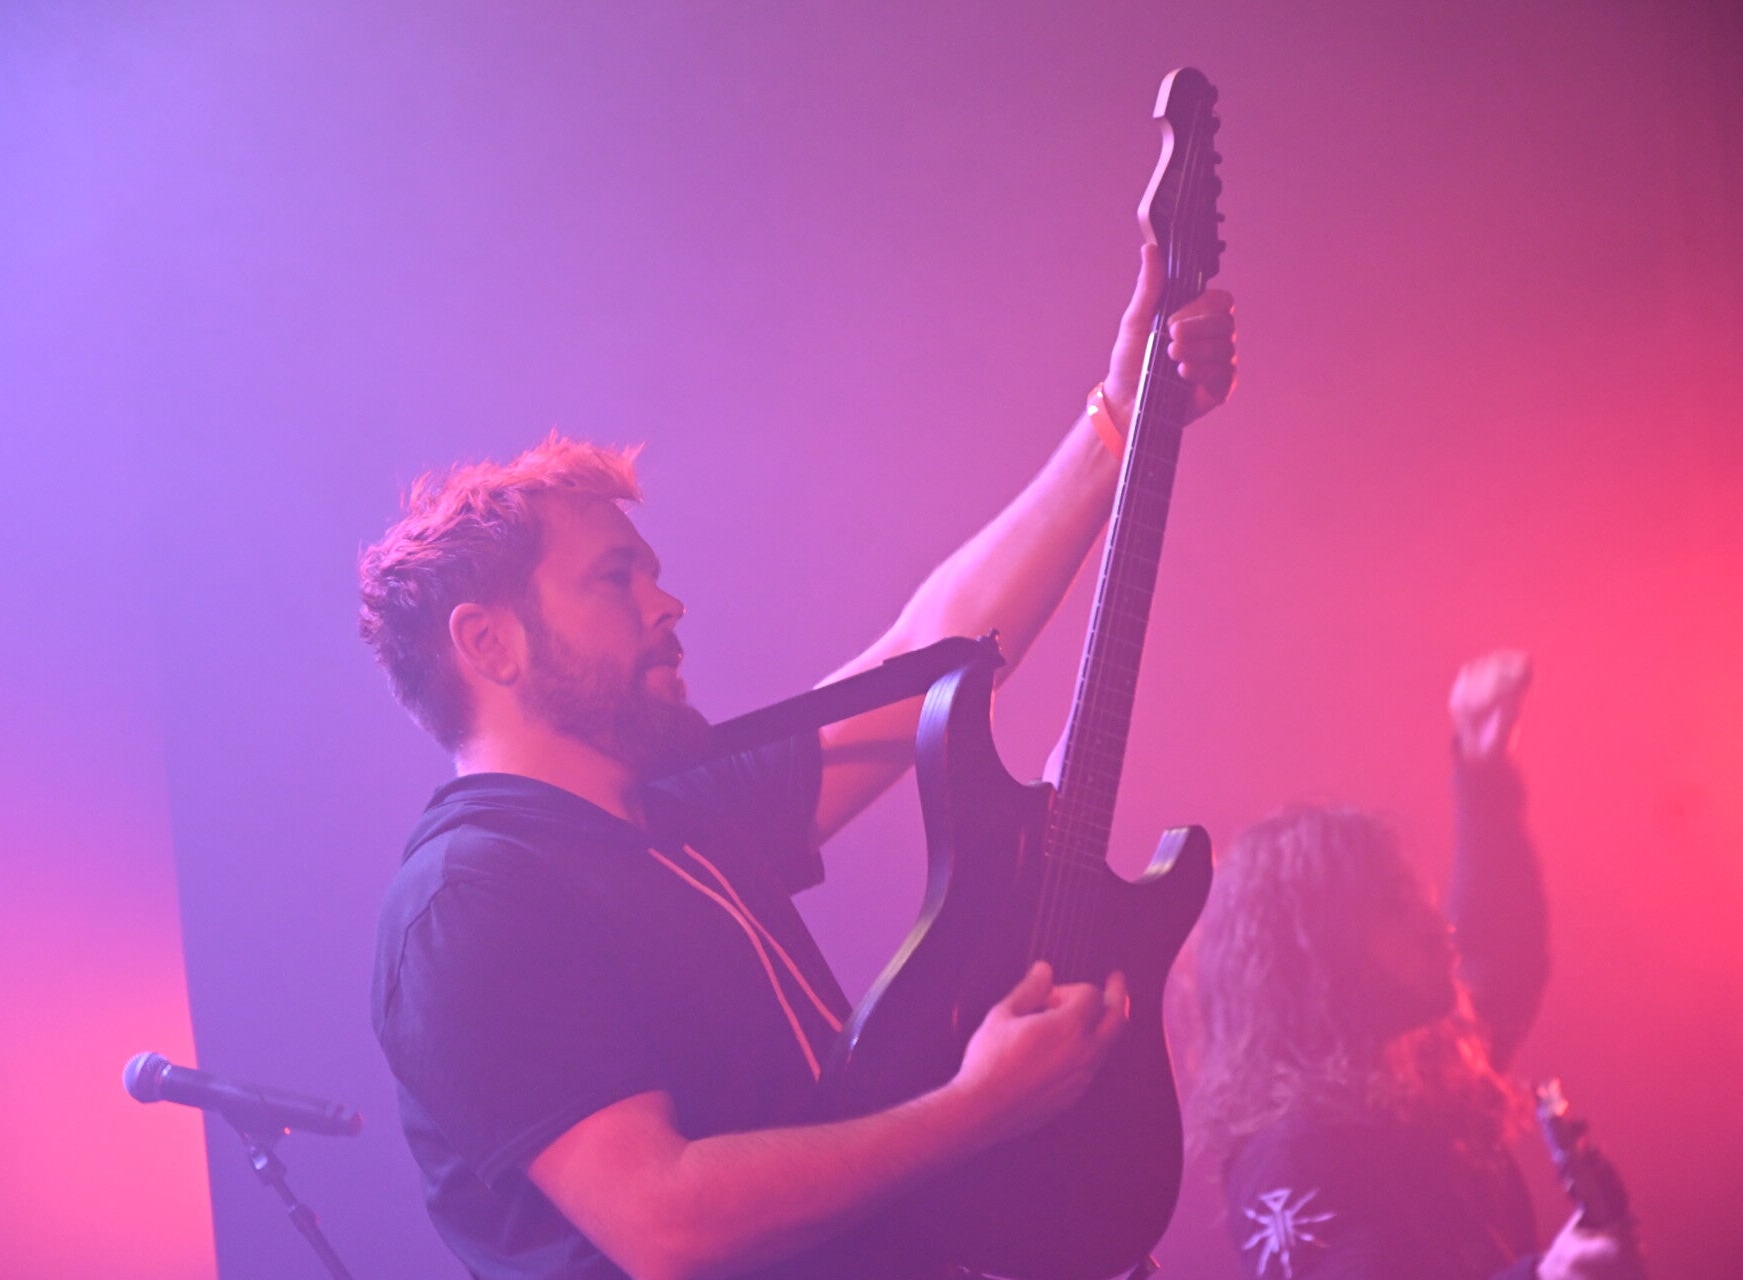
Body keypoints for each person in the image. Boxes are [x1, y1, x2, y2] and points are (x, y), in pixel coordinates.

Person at [357, 243, 1236, 1280]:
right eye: (614, 578)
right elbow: (664, 1221)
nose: (666, 604)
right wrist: (977, 1107)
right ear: (488, 643)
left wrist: (1118, 424)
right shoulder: (470, 899)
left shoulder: (675, 813)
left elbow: (930, 652)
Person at [1184, 652, 1643, 1280]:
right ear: (1319, 959)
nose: (1436, 925)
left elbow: (1496, 954)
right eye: (1392, 908)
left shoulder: (1420, 1074)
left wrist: (1483, 776)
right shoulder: (1291, 1155)